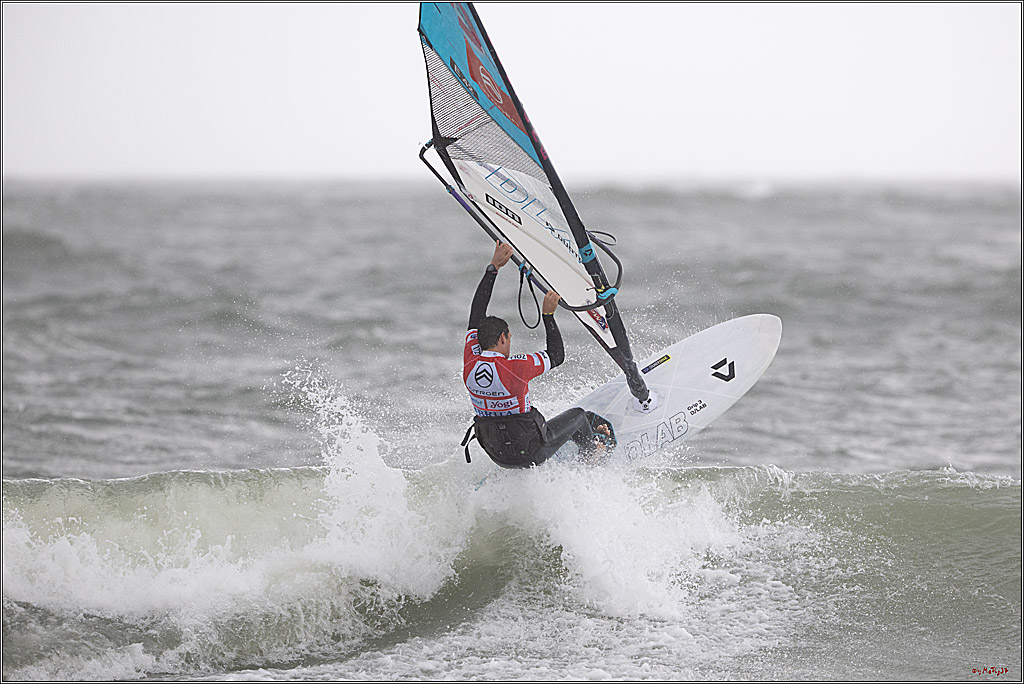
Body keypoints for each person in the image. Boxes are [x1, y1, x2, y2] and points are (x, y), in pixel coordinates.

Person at [461, 241, 610, 468]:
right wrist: (548, 315)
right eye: (509, 338)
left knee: (522, 423)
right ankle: (593, 457)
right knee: (579, 416)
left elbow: (475, 316)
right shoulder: (516, 369)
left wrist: (493, 268)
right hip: (529, 452)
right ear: (503, 338)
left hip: (498, 455)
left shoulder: (470, 363)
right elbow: (556, 356)